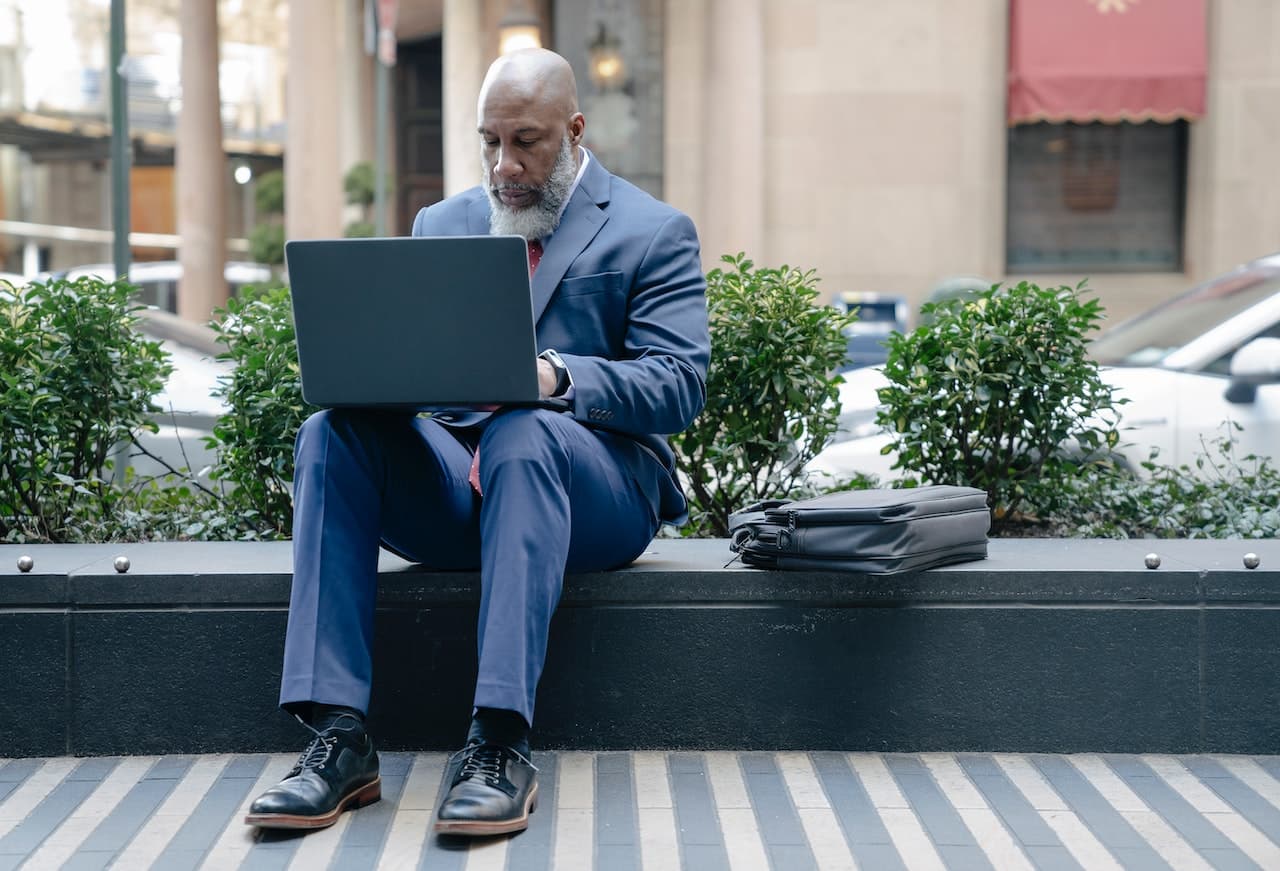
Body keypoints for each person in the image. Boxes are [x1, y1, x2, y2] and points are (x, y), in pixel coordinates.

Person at [243, 48, 710, 837]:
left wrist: (556, 376)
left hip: (591, 491)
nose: (505, 166)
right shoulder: (444, 222)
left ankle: (498, 743)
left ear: (574, 129)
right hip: (459, 486)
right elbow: (419, 370)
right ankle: (339, 740)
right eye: (490, 142)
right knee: (332, 433)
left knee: (525, 434)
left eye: (525, 141)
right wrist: (380, 377)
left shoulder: (652, 230)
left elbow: (678, 384)